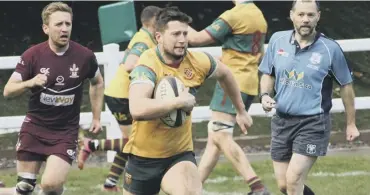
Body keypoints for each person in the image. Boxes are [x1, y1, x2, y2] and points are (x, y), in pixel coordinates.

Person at [121, 6, 253, 195]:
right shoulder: (147, 64)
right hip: (143, 157)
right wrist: (177, 102)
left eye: (185, 33)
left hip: (178, 155)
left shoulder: (197, 61)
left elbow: (226, 74)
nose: (182, 40)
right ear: (159, 37)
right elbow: (137, 108)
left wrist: (241, 110)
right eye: (175, 34)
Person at [1, 2, 104, 195]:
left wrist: (97, 117)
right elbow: (8, 91)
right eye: (59, 24)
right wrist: (29, 83)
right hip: (35, 127)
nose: (64, 29)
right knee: (24, 189)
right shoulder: (32, 55)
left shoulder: (84, 56)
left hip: (65, 131)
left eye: (68, 24)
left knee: (50, 185)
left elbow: (97, 82)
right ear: (46, 28)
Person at [258, 0, 360, 195]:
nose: (305, 19)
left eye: (310, 15)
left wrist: (351, 123)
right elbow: (268, 73)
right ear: (292, 15)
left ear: (318, 17)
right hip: (281, 121)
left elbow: (346, 86)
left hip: (313, 123)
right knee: (284, 185)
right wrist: (264, 95)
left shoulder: (330, 49)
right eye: (301, 14)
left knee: (294, 180)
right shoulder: (277, 41)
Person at [187, 1, 270, 194]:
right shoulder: (258, 15)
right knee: (214, 139)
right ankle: (193, 188)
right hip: (249, 81)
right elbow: (260, 53)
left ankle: (256, 186)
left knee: (220, 135)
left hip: (232, 82)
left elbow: (197, 39)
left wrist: (178, 23)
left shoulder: (234, 15)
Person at [77, 5, 162, 192]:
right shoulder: (143, 41)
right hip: (122, 96)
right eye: (162, 19)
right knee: (137, 141)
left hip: (124, 95)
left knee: (132, 141)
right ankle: (91, 145)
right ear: (154, 20)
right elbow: (131, 64)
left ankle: (110, 183)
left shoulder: (148, 38)